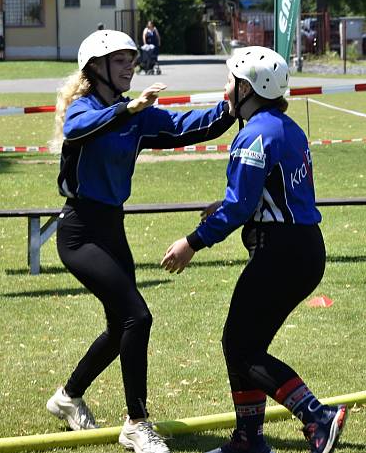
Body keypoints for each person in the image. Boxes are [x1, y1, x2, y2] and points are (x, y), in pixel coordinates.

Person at [46, 29, 235, 453]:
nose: (130, 65)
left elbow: (187, 126)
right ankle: (136, 422)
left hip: (113, 228)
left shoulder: (136, 114)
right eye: (120, 60)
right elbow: (79, 128)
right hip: (79, 233)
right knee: (138, 317)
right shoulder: (85, 108)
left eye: (132, 58)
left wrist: (231, 105)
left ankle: (67, 397)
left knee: (121, 327)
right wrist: (128, 109)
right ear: (95, 68)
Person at [161, 46, 348, 453]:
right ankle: (248, 439)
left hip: (281, 254)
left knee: (240, 347)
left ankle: (317, 415)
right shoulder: (285, 126)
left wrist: (191, 243)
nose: (226, 89)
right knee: (244, 344)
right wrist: (233, 203)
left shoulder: (255, 134)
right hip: (302, 249)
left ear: (247, 87)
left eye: (230, 81)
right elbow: (268, 193)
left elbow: (240, 207)